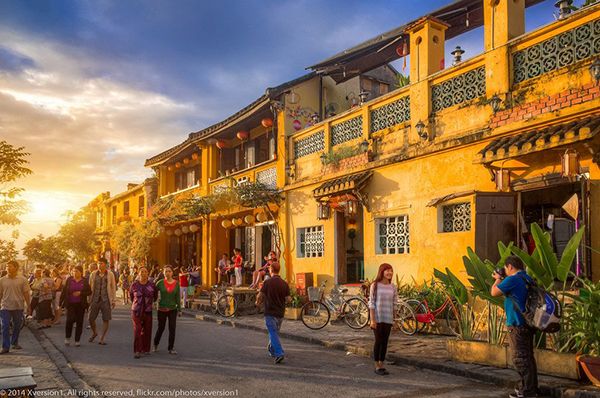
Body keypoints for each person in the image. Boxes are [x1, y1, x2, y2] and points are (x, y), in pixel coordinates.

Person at [491, 255, 538, 398]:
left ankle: (527, 392)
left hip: (516, 324)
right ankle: (530, 388)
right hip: (528, 323)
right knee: (528, 357)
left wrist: (498, 278)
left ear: (510, 267)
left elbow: (494, 292)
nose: (505, 271)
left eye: (505, 268)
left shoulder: (512, 279)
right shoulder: (527, 278)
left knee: (520, 358)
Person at [255, 261, 290, 364]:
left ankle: (279, 353)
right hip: (280, 313)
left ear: (271, 270)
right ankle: (271, 349)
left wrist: (257, 303)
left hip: (270, 312)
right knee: (274, 332)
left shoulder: (267, 282)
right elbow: (288, 299)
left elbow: (260, 296)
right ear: (279, 270)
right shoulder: (284, 284)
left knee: (272, 332)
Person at [368, 263, 397, 376]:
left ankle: (381, 364)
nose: (389, 273)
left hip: (388, 318)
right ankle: (376, 365)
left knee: (385, 342)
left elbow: (394, 304)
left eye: (391, 271)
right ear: (382, 272)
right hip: (378, 318)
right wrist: (372, 320)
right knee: (378, 341)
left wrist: (395, 320)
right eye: (387, 270)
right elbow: (371, 303)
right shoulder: (374, 285)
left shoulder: (393, 287)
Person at [0, 261, 31, 354]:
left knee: (17, 326)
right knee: (5, 326)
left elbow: (26, 293)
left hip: (18, 306)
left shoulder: (23, 279)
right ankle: (5, 347)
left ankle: (14, 342)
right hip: (5, 306)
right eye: (7, 267)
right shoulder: (2, 280)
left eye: (10, 266)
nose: (8, 268)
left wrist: (29, 306)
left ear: (16, 268)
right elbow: (0, 294)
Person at [130, 266, 157, 359]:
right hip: (136, 310)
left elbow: (155, 296)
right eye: (141, 271)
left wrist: (150, 304)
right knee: (137, 329)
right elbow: (131, 297)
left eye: (145, 271)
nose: (143, 273)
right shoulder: (134, 285)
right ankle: (137, 350)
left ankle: (146, 349)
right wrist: (137, 304)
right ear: (138, 273)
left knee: (147, 330)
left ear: (148, 273)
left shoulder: (152, 285)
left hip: (148, 310)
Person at [60, 265, 91, 347]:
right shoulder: (69, 280)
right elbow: (64, 291)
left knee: (79, 322)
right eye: (73, 271)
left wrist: (80, 293)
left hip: (80, 304)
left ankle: (77, 340)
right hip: (70, 304)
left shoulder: (84, 281)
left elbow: (89, 292)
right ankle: (67, 337)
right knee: (70, 320)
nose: (75, 273)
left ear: (81, 272)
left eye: (76, 271)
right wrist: (60, 304)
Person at [88, 258, 116, 345]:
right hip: (94, 299)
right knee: (90, 318)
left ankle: (102, 338)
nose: (100, 265)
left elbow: (113, 287)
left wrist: (113, 300)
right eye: (99, 263)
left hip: (105, 300)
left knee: (106, 319)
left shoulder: (110, 274)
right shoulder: (93, 274)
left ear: (106, 264)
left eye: (102, 263)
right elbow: (89, 287)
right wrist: (88, 299)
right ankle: (95, 332)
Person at [153, 266, 180, 355]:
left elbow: (178, 297)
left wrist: (179, 309)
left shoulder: (176, 283)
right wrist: (154, 302)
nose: (168, 273)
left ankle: (171, 348)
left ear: (172, 273)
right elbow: (153, 293)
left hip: (173, 309)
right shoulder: (159, 283)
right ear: (163, 273)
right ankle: (155, 344)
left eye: (169, 271)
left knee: (172, 328)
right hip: (161, 309)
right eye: (166, 271)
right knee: (161, 328)